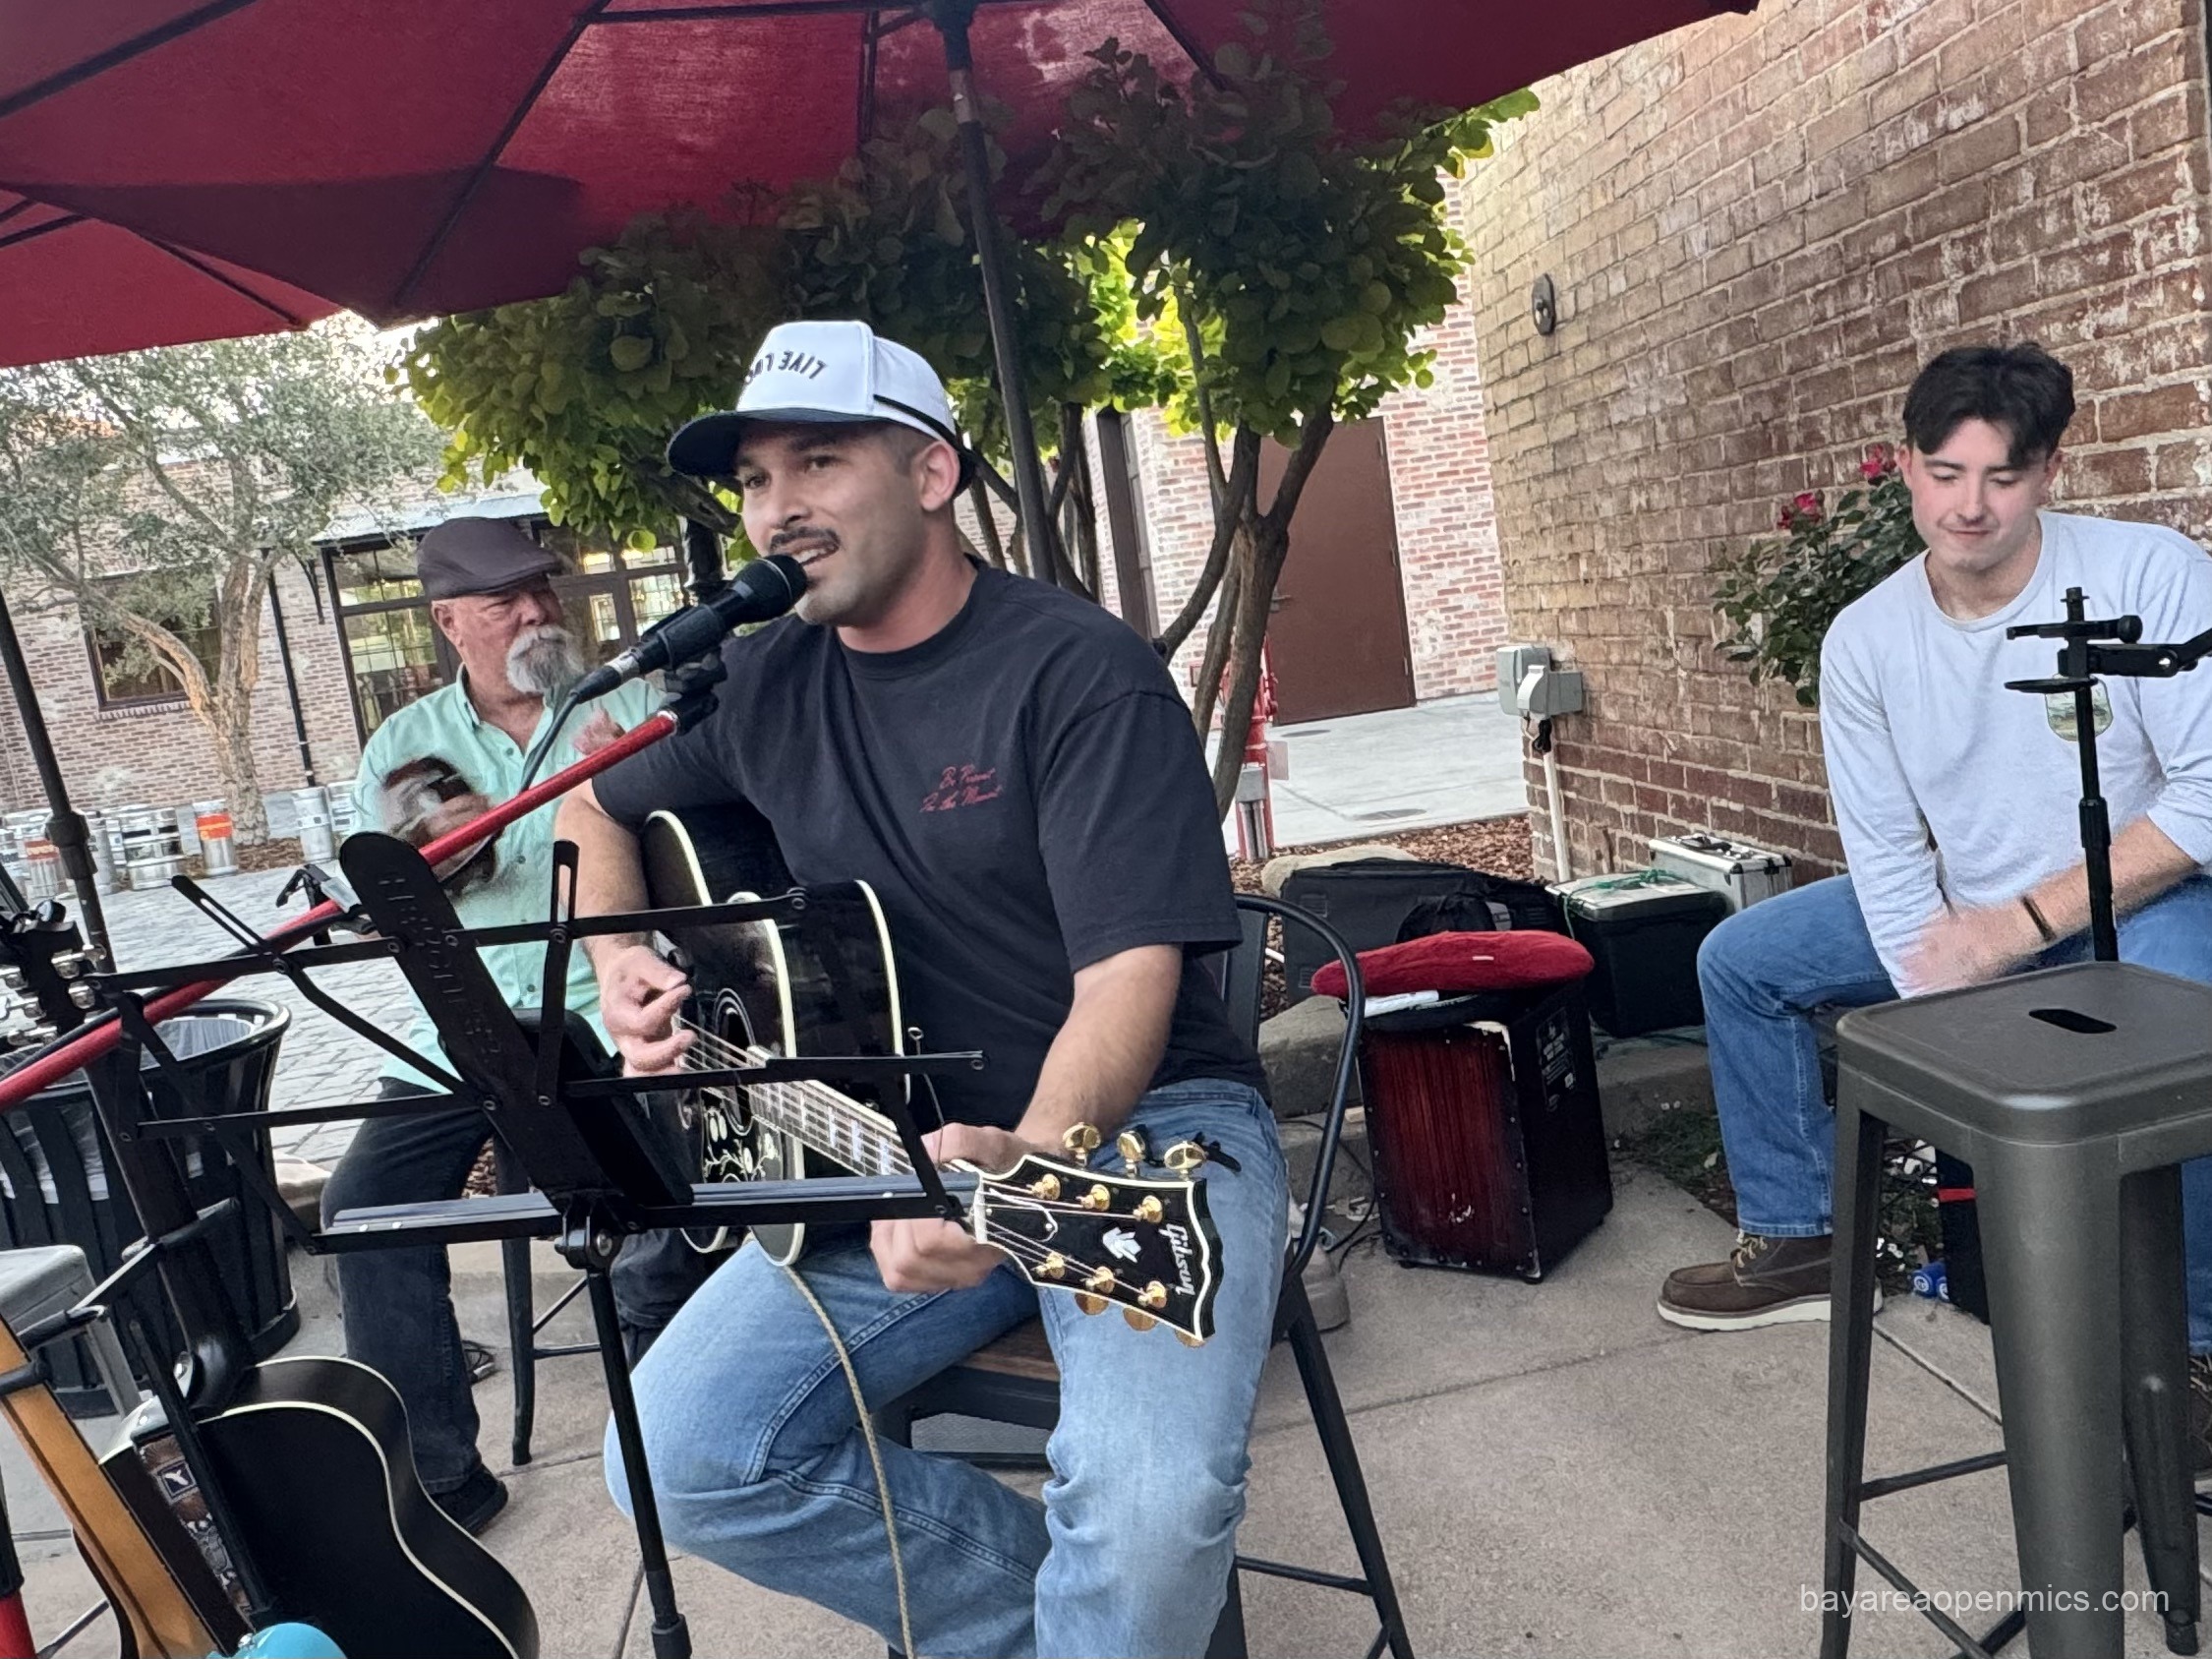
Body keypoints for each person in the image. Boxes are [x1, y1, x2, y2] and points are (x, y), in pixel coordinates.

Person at [554, 318, 1285, 1657]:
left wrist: (1020, 1169)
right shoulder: (762, 681)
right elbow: (590, 806)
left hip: (1143, 1141)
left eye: (818, 462)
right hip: (888, 1146)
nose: (778, 507)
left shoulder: (1079, 673)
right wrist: (621, 959)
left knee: (1148, 1507)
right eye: (756, 479)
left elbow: (1128, 981)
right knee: (678, 1454)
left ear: (932, 472)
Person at [1658, 343, 2212, 1336]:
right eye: (1947, 473)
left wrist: (2015, 929)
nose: (1970, 507)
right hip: (1968, 907)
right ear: (1907, 465)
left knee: (2191, 1030)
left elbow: (2208, 798)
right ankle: (1804, 1242)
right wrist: (1952, 1016)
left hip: (2142, 896)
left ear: (2049, 470)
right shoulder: (1867, 640)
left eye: (2002, 476)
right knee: (1741, 963)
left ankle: (2195, 1335)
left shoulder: (2147, 572)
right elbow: (1884, 853)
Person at [321, 513, 712, 1535]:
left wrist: (635, 784)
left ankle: (684, 1449)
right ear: (451, 621)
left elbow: (705, 841)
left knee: (665, 1207)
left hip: (611, 1013)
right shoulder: (404, 746)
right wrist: (424, 861)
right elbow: (380, 909)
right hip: (466, 1030)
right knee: (364, 1210)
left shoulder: (631, 700)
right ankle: (440, 1479)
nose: (537, 611)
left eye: (544, 587)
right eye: (505, 600)